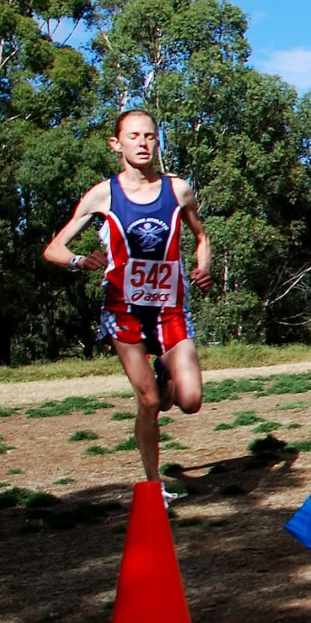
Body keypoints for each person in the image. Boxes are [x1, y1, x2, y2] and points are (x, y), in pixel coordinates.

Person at [44, 109, 212, 502]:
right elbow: (53, 248)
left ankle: (165, 370)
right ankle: (154, 485)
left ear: (158, 142)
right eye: (133, 136)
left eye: (150, 136)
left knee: (190, 401)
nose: (142, 143)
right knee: (149, 402)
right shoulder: (104, 194)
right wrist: (80, 261)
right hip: (123, 310)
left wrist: (202, 268)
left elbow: (201, 237)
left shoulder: (178, 190)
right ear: (116, 144)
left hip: (169, 307)